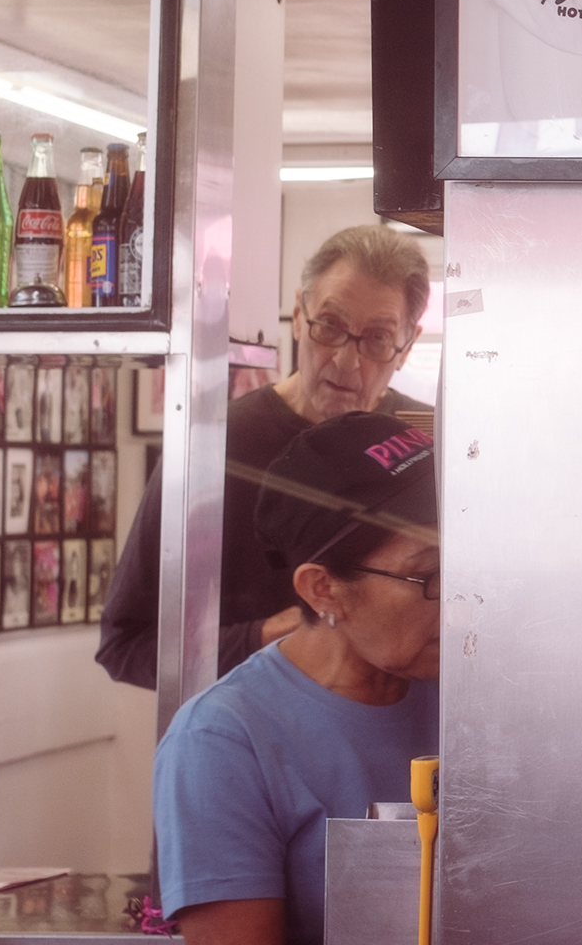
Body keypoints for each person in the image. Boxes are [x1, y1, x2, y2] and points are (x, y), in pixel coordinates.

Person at [97, 225, 430, 689]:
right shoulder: (212, 446)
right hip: (253, 742)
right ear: (298, 314)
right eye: (329, 326)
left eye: (376, 339)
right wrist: (262, 637)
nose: (346, 361)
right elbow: (126, 645)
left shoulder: (428, 444)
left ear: (407, 346)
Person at [153, 411, 438, 945]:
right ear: (322, 589)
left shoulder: (478, 696)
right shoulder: (223, 742)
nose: (462, 600)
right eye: (429, 575)